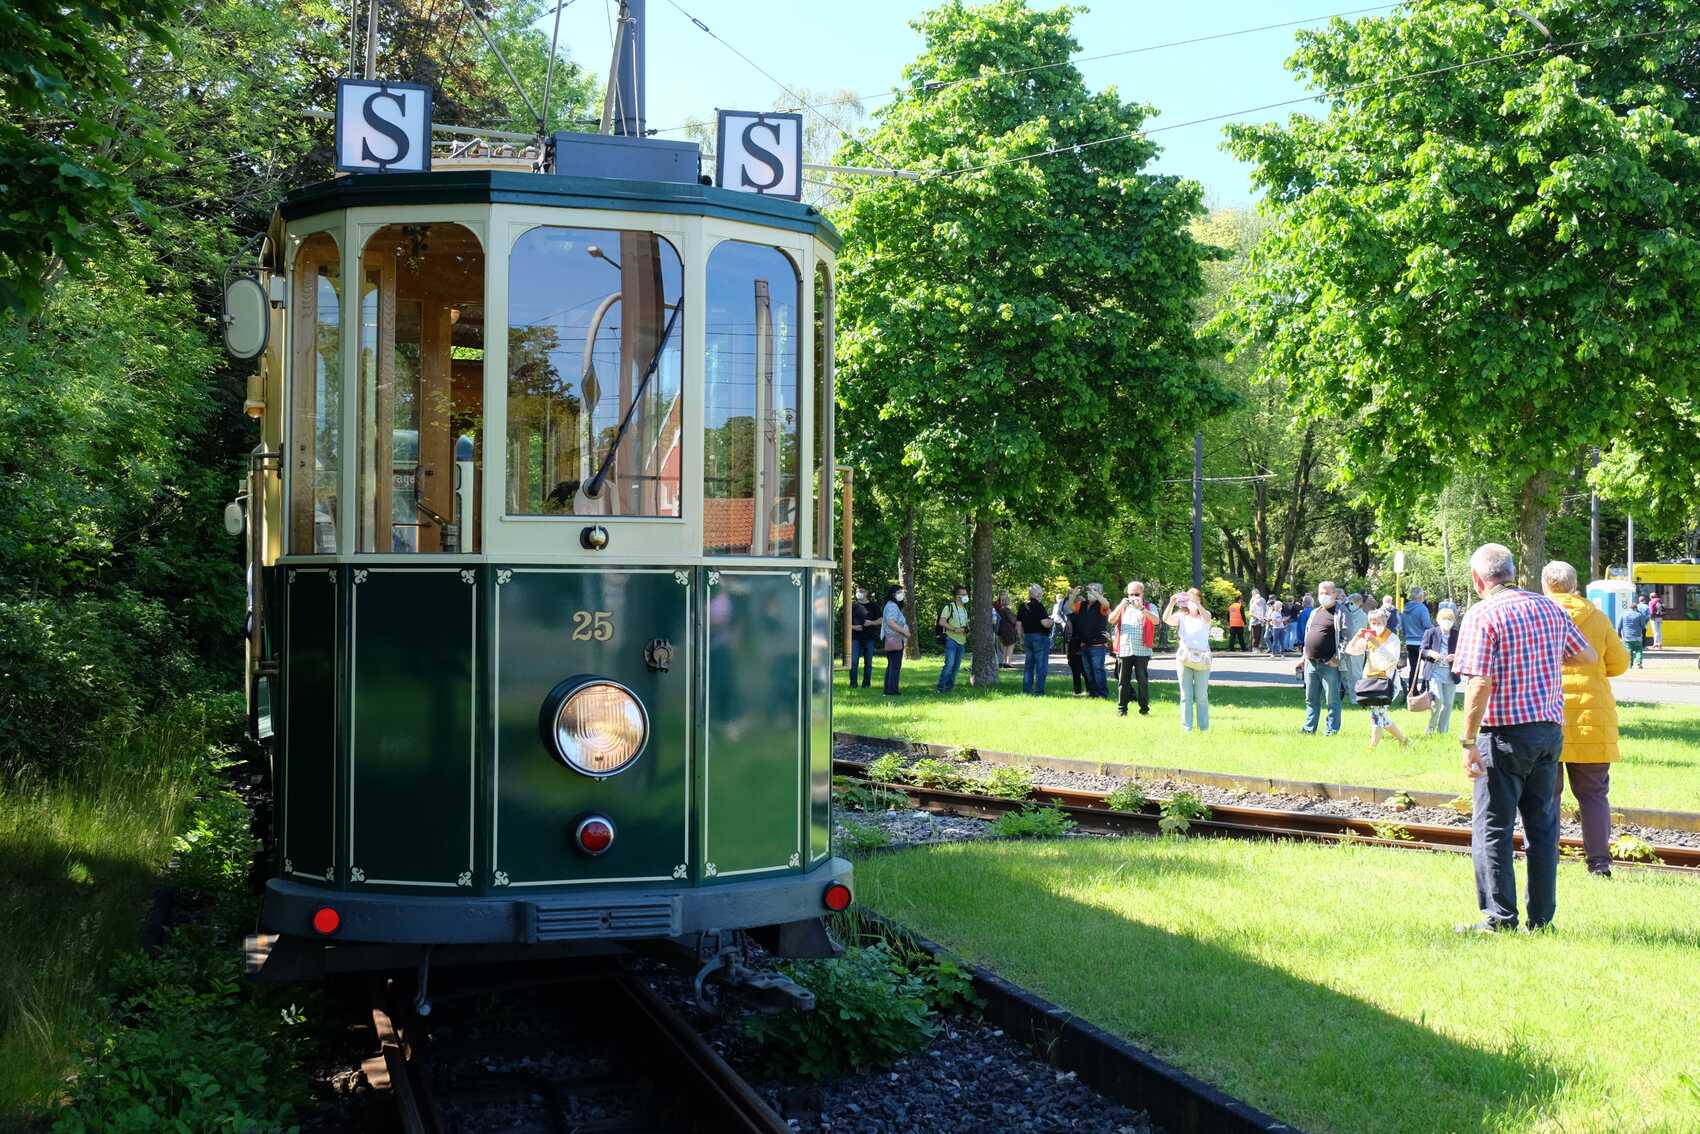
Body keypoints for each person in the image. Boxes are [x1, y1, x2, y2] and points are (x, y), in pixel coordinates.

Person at [1453, 543, 1595, 933]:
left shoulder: (1482, 614)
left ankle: (1499, 918)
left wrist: (1467, 741)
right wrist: (1545, 659)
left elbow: (1479, 681)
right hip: (1548, 733)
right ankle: (1543, 919)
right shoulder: (1549, 607)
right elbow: (1587, 658)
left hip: (1504, 735)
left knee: (1493, 827)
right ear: (1512, 572)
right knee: (1543, 827)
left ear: (1478, 579)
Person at [1542, 561, 1629, 876]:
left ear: (1545, 586)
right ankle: (1599, 864)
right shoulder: (1597, 616)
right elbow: (1619, 664)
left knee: (1546, 795)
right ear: (1575, 584)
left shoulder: (1537, 614)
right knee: (1593, 795)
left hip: (1547, 717)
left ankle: (1545, 858)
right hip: (1591, 719)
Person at [1344, 607, 1410, 750]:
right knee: (1379, 715)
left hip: (1387, 682)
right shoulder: (1369, 637)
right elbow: (1350, 650)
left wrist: (1377, 643)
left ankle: (1372, 747)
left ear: (1385, 621)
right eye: (1372, 622)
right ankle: (1403, 740)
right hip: (1370, 681)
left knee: (1377, 714)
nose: (1375, 625)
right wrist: (1357, 637)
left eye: (1378, 622)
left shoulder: (1392, 638)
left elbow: (1392, 660)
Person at [1163, 589, 1213, 731]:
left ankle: (1204, 728)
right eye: (1189, 600)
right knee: (1186, 695)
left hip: (1202, 659)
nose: (1191, 603)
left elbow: (1207, 618)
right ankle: (1187, 727)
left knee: (1201, 695)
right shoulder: (1182, 616)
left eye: (1195, 599)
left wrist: (1196, 602)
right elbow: (1166, 619)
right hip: (1184, 658)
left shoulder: (1205, 615)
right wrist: (1172, 602)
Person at [1301, 581, 1344, 735]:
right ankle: (1308, 728)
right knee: (1311, 699)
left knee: (1332, 700)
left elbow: (1347, 638)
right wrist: (1303, 656)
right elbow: (1308, 635)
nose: (1323, 596)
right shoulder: (1314, 612)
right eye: (1321, 593)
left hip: (1329, 664)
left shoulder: (1340, 613)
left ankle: (1331, 730)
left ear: (1334, 594)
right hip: (1311, 663)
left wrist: (1337, 658)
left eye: (1327, 593)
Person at [1110, 581, 1158, 716]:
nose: (1133, 597)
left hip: (1142, 650)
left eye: (1136, 594)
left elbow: (1156, 621)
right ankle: (1122, 710)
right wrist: (1120, 606)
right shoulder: (1123, 607)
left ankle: (1144, 710)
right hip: (1124, 649)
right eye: (1131, 594)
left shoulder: (1150, 606)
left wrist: (1142, 609)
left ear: (1142, 594)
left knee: (1142, 681)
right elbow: (1111, 619)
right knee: (1123, 682)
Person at [1419, 605, 1461, 734]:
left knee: (1448, 704)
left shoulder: (1456, 634)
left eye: (1450, 619)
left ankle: (1443, 731)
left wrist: (1455, 656)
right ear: (1438, 620)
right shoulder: (1431, 632)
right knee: (1438, 700)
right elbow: (1422, 651)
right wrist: (1431, 653)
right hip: (1434, 672)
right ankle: (1430, 728)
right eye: (1444, 619)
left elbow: (1464, 652)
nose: (1447, 622)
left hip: (1450, 673)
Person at [1071, 583, 1112, 699]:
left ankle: (1102, 694)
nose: (1090, 592)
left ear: (1101, 593)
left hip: (1098, 645)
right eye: (1089, 590)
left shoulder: (1101, 605)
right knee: (1088, 671)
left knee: (1098, 670)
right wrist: (1073, 595)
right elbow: (1071, 607)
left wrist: (1095, 593)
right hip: (1084, 644)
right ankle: (1093, 693)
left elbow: (1106, 604)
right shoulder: (1082, 604)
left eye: (1094, 590)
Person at [1017, 584, 1055, 695]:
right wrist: (1051, 621)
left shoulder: (1022, 606)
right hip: (1040, 638)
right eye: (1041, 592)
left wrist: (1021, 638)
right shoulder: (1039, 606)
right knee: (1041, 666)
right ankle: (1039, 691)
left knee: (1028, 666)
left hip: (1028, 637)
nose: (1042, 593)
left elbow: (1018, 624)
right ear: (1038, 594)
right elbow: (1045, 623)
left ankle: (1026, 690)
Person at [936, 585, 970, 693]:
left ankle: (949, 688)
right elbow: (942, 622)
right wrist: (954, 629)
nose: (966, 596)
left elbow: (965, 624)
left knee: (956, 667)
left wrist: (967, 630)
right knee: (949, 665)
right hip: (951, 640)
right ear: (957, 596)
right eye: (963, 594)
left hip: (962, 641)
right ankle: (940, 688)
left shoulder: (964, 609)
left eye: (966, 594)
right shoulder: (949, 607)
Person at [1339, 592, 1369, 705]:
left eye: (1351, 603)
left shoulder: (1362, 616)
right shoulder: (1347, 614)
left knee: (1356, 674)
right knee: (1345, 673)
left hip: (1357, 648)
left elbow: (1355, 631)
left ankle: (1356, 698)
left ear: (1358, 604)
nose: (1349, 605)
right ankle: (1351, 694)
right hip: (1346, 647)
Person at [1401, 587, 1434, 691]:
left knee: (1413, 668)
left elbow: (1402, 625)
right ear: (1421, 597)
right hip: (1422, 642)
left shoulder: (1405, 609)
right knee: (1429, 665)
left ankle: (1412, 690)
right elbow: (1426, 624)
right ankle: (1425, 689)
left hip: (1409, 642)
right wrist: (1435, 628)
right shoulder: (1422, 608)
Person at [880, 585, 910, 696]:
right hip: (894, 639)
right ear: (893, 594)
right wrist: (904, 631)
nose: (901, 594)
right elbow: (891, 622)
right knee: (894, 665)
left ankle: (889, 689)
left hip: (893, 638)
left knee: (892, 664)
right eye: (899, 592)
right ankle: (891, 690)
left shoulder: (891, 605)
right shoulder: (892, 606)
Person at [848, 585, 879, 688]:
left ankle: (866, 684)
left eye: (862, 591)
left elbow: (881, 619)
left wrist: (871, 623)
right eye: (858, 591)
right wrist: (853, 627)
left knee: (868, 662)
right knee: (854, 661)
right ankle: (853, 683)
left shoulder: (873, 606)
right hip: (855, 637)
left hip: (869, 638)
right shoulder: (852, 606)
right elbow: (845, 621)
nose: (859, 593)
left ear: (867, 593)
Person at [993, 588, 1021, 669]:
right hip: (1009, 630)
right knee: (1010, 646)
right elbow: (1012, 620)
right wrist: (1016, 618)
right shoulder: (1006, 610)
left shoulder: (999, 609)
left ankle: (1004, 661)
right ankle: (1008, 662)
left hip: (1001, 630)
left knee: (1005, 646)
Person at [1616, 599, 1648, 668]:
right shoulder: (1639, 615)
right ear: (1636, 608)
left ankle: (1630, 664)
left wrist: (1619, 635)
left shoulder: (1623, 614)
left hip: (1627, 636)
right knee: (1639, 649)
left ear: (1630, 608)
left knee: (1629, 650)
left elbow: (1619, 626)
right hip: (1637, 636)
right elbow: (1643, 626)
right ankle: (1639, 662)